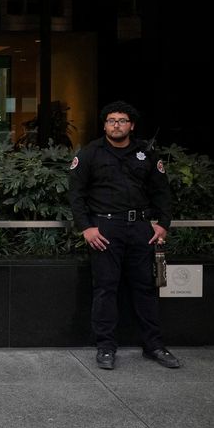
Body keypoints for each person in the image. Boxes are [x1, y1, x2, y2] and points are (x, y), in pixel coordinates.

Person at [68, 101, 180, 370]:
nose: (116, 125)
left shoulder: (146, 154)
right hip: (105, 230)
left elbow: (162, 192)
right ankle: (106, 347)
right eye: (111, 120)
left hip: (141, 229)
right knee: (105, 288)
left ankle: (154, 346)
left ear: (132, 125)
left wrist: (163, 224)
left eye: (121, 120)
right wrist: (87, 227)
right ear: (105, 125)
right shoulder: (91, 153)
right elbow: (76, 193)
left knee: (145, 288)